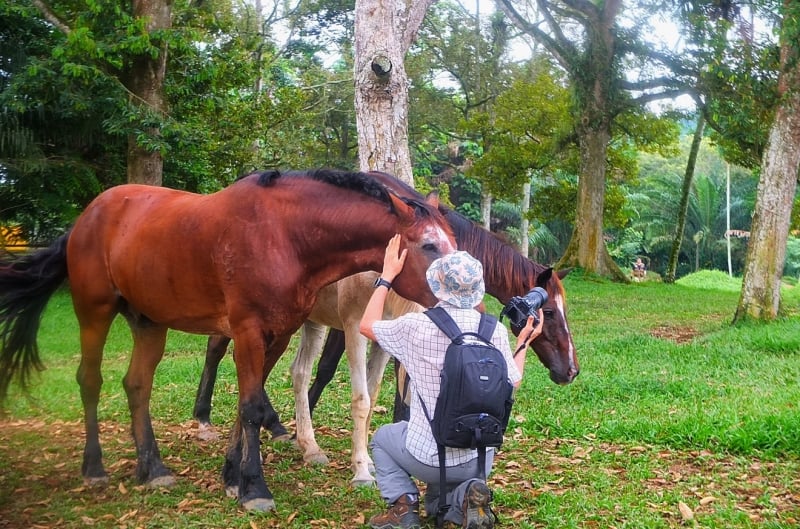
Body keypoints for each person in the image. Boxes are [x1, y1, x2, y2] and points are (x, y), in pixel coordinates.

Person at [359, 235, 542, 529]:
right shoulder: (493, 329)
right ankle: (464, 496)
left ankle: (403, 507)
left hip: (427, 457)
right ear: (478, 292)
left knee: (382, 439)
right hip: (479, 458)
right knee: (440, 502)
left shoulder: (416, 326)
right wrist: (523, 342)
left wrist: (386, 277)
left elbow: (366, 325)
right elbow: (512, 383)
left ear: (437, 286)